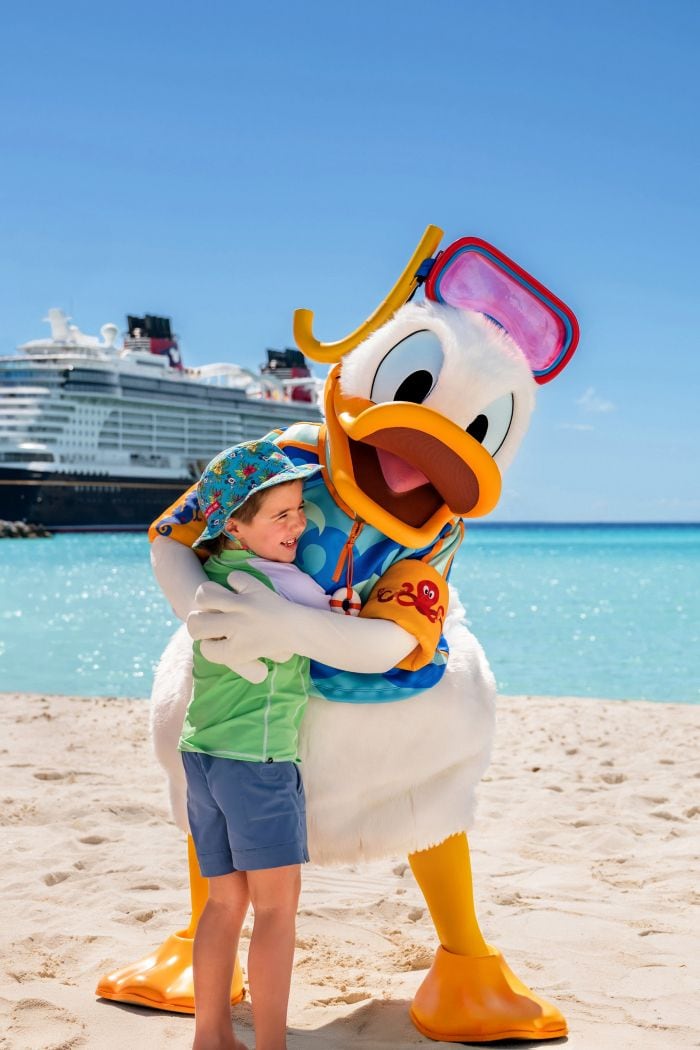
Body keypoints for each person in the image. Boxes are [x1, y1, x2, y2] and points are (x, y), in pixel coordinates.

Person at [179, 438, 328, 1050]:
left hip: (201, 756)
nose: (298, 524)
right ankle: (271, 1044)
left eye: (299, 509)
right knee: (276, 911)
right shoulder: (287, 588)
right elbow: (342, 634)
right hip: (258, 764)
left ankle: (211, 1035)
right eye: (281, 515)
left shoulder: (213, 573)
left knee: (222, 905)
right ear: (236, 526)